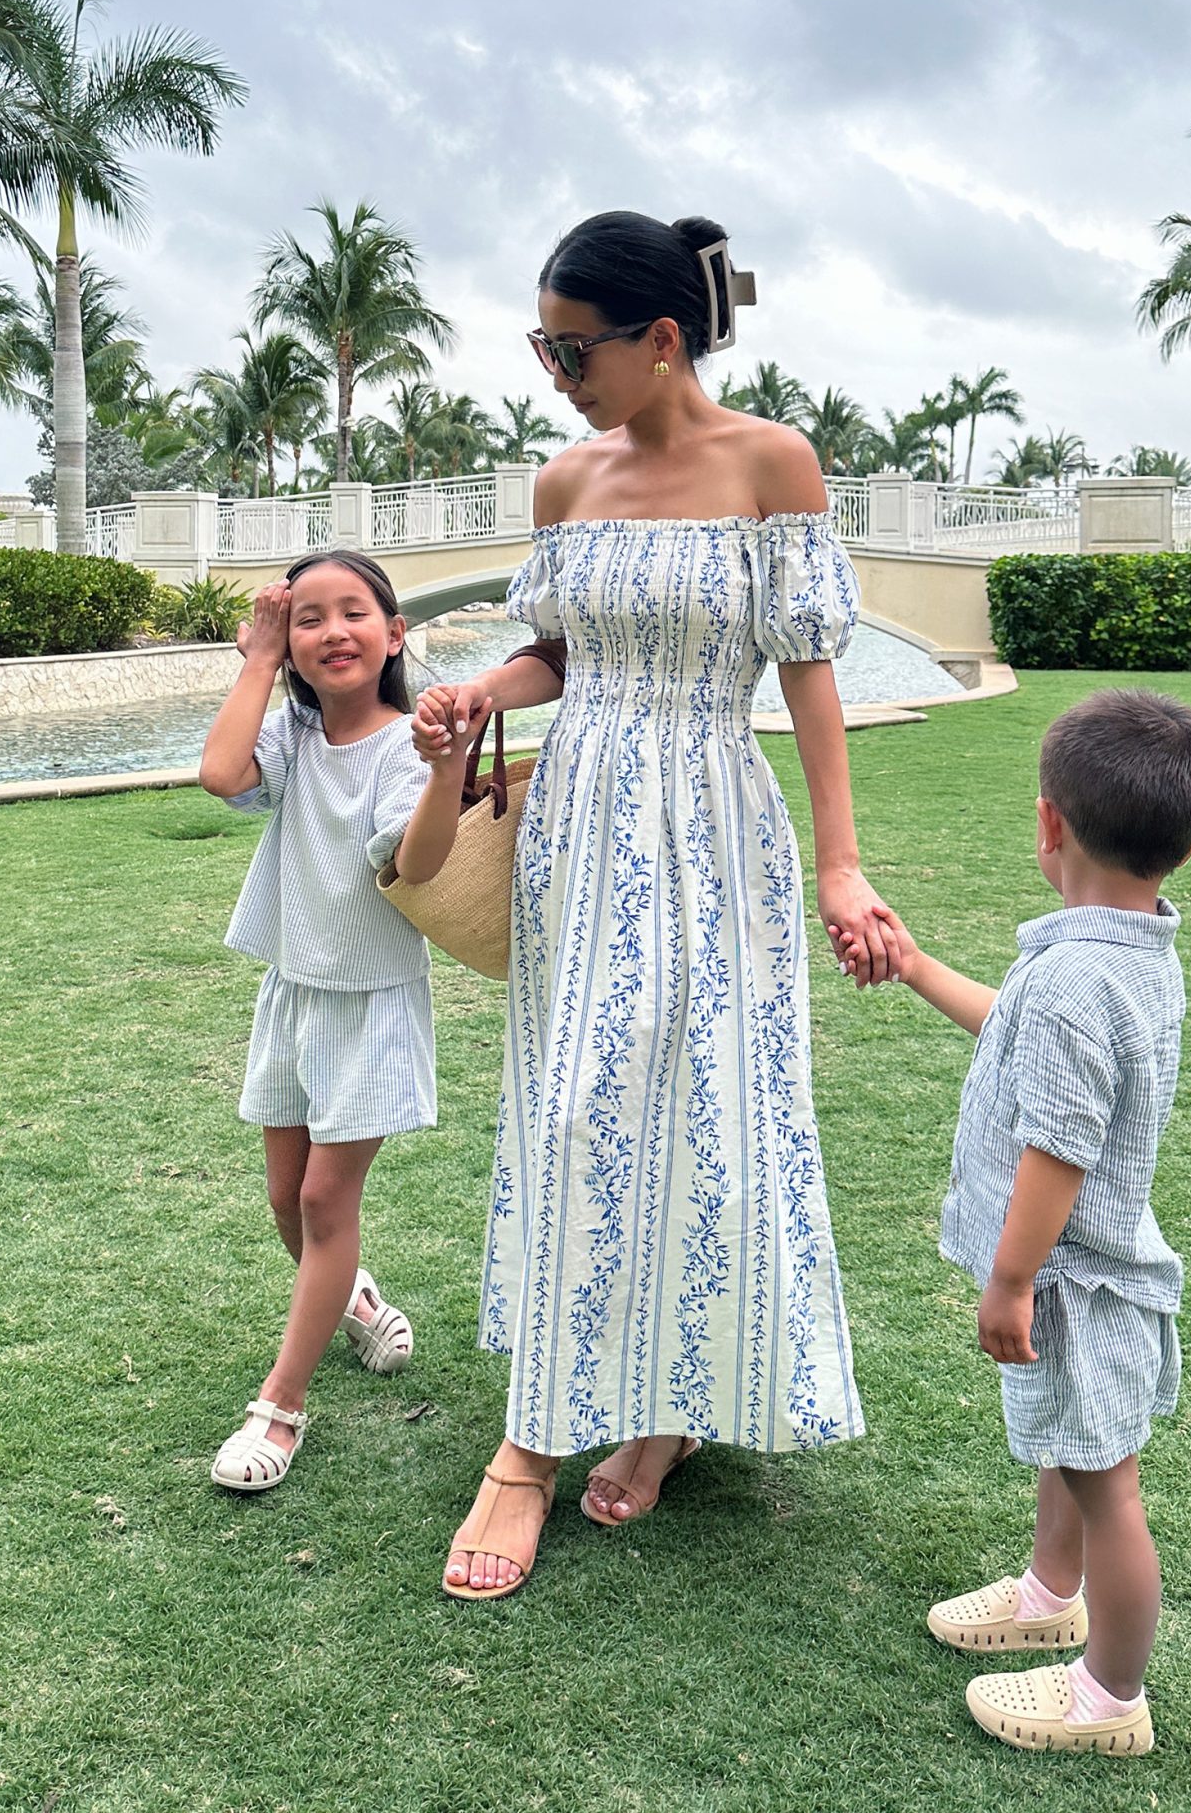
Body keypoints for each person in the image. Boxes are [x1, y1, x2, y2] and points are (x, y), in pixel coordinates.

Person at [412, 210, 902, 1601]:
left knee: (711, 1106)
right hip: (581, 824)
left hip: (713, 820)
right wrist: (475, 694)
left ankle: (673, 1407)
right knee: (574, 1106)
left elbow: (808, 675)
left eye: (574, 349)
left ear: (662, 339)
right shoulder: (566, 484)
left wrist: (840, 863)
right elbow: (560, 653)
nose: (555, 374)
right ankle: (529, 1444)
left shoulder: (773, 464)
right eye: (542, 346)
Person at [841, 688, 1191, 1757]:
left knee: (1108, 1489)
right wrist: (914, 968)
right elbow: (1015, 1033)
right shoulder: (1125, 953)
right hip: (1087, 1272)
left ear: (1049, 823)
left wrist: (1009, 1281)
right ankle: (1051, 1593)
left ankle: (1111, 1698)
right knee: (1069, 1449)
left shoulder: (1076, 981)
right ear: (1186, 840)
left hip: (1078, 1281)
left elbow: (1059, 1150)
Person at [198, 549, 449, 1492]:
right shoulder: (295, 739)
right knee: (282, 1199)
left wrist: (445, 769)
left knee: (319, 1204)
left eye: (354, 612)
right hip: (294, 990)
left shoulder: (403, 745)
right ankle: (358, 1300)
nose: (332, 630)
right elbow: (221, 775)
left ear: (394, 634)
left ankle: (281, 1409)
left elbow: (417, 866)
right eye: (307, 618)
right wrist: (255, 659)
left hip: (372, 1003)